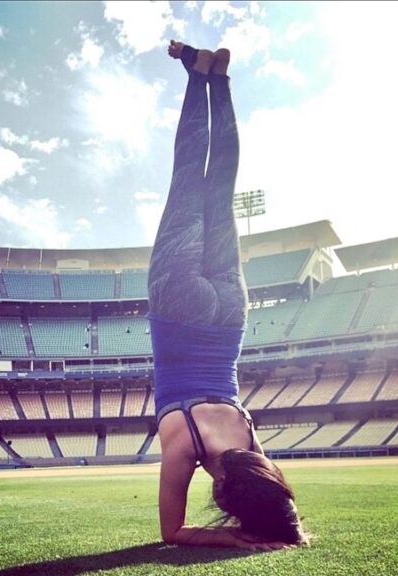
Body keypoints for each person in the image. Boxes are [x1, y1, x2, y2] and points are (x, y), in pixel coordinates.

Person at [148, 41, 309, 552]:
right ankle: (198, 76)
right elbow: (172, 533)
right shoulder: (185, 443)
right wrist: (233, 537)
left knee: (221, 187)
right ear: (221, 490)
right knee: (187, 179)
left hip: (230, 316)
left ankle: (219, 79)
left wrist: (284, 527)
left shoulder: (251, 444)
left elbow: (274, 496)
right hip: (179, 310)